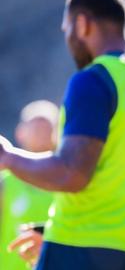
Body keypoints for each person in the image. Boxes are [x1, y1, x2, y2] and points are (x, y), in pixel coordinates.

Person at [0, 0, 125, 270]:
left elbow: (72, 173)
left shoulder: (94, 79)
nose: (69, 40)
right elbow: (124, 175)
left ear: (83, 24)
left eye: (67, 30)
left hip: (80, 247)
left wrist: (9, 157)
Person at [0, 100, 58, 269]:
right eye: (36, 127)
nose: (42, 133)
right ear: (20, 133)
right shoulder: (5, 181)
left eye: (47, 127)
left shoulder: (71, 180)